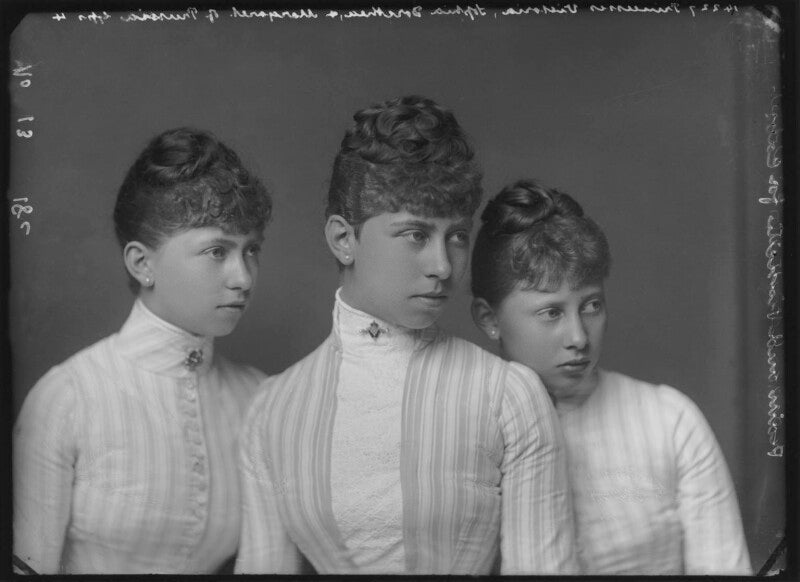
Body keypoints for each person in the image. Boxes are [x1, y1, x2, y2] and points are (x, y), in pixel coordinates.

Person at [236, 96, 577, 575]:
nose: (442, 266)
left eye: (456, 236)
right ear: (343, 239)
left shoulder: (507, 394)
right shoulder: (273, 410)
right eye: (416, 235)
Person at [13, 128, 272, 574]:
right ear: (142, 263)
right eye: (216, 250)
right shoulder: (68, 398)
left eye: (251, 251)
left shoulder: (262, 400)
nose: (243, 277)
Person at [470, 179, 752, 575]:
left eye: (591, 306)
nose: (578, 337)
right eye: (551, 312)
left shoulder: (669, 421)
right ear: (489, 318)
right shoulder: (462, 432)